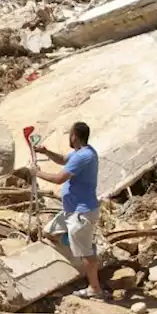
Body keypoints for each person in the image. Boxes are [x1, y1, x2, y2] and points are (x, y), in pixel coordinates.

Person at [33, 122, 103, 299]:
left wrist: (37, 173)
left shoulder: (84, 156)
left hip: (81, 213)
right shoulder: (81, 152)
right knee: (50, 232)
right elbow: (64, 160)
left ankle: (95, 289)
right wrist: (46, 152)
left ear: (74, 136)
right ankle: (80, 246)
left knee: (86, 252)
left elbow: (59, 178)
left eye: (69, 135)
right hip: (71, 211)